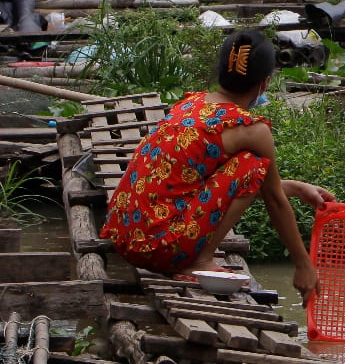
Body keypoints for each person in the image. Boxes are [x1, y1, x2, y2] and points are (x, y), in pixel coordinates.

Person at [100, 30, 333, 302]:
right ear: (265, 83)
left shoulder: (190, 103)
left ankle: (193, 254)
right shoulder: (251, 130)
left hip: (126, 236)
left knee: (247, 168)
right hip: (161, 247)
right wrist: (304, 265)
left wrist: (294, 187)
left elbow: (219, 190)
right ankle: (200, 260)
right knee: (252, 164)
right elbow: (274, 200)